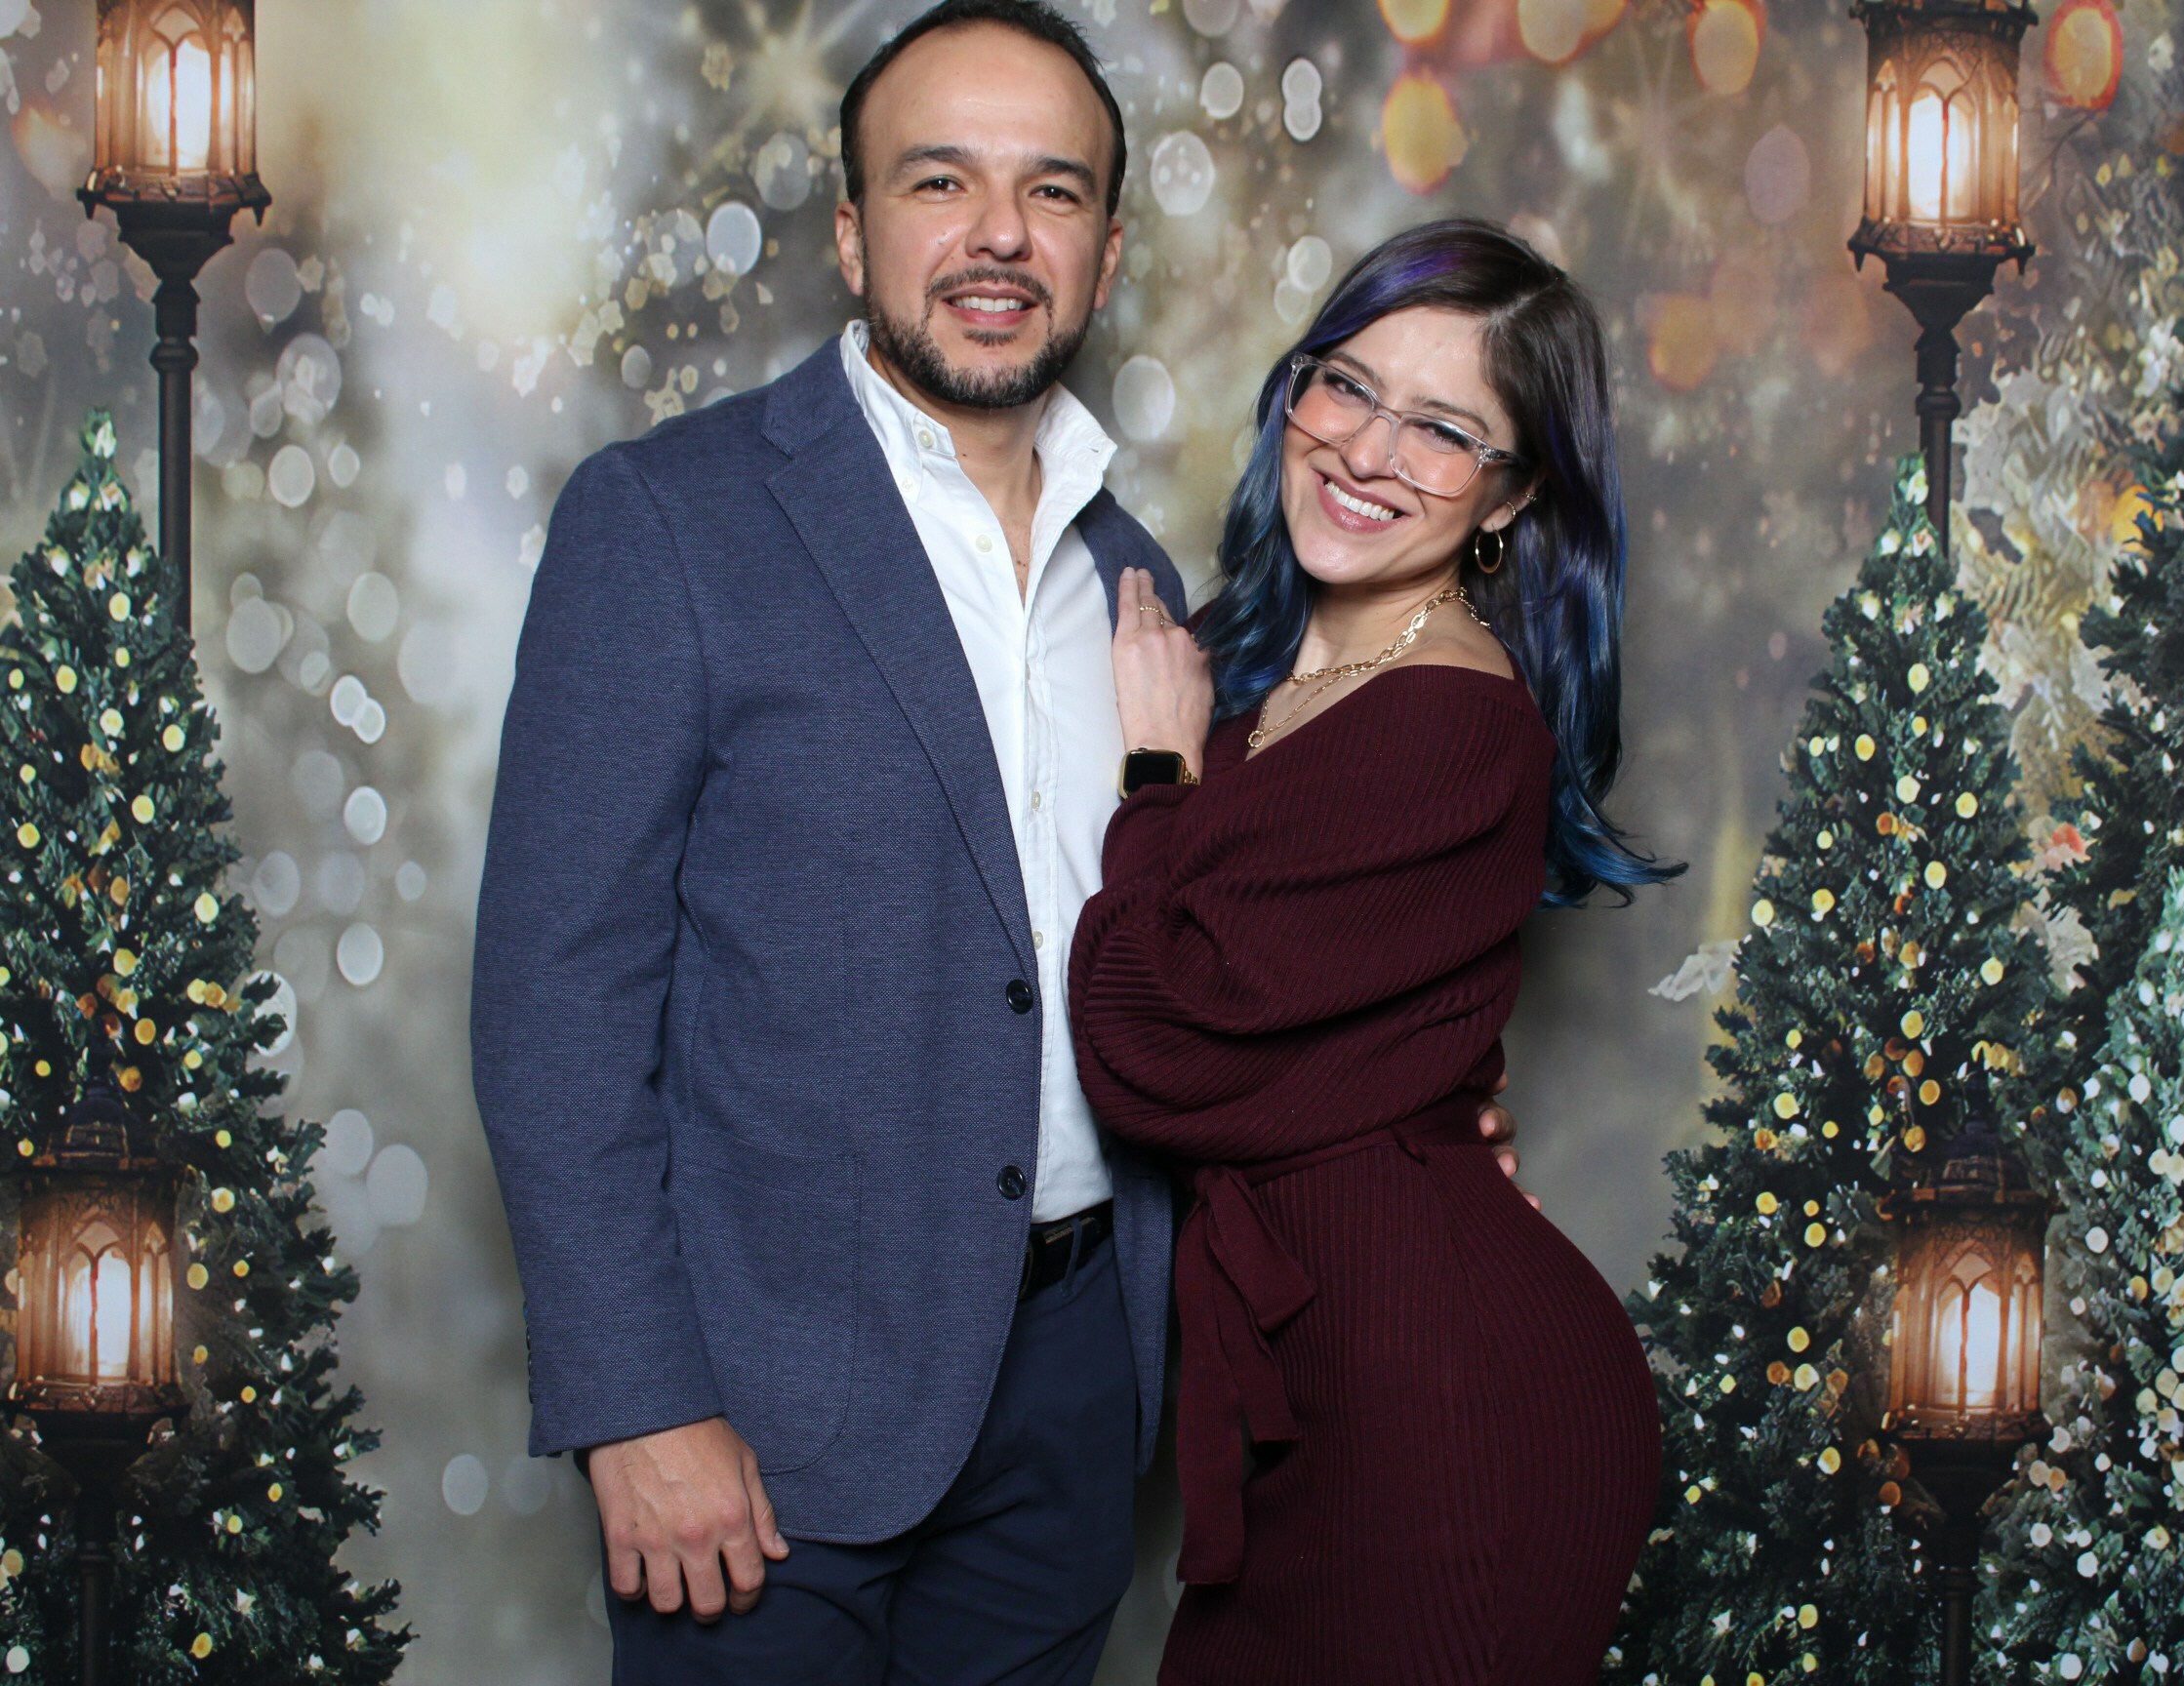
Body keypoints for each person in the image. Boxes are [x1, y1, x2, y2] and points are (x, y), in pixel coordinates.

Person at [470, 7, 1520, 1682]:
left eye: (1052, 191)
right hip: (763, 1414)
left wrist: (1419, 1110)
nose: (998, 237)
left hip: (1077, 1393)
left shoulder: (1143, 584)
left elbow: (1215, 967)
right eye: (938, 181)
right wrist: (637, 1402)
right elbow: (554, 999)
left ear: (1106, 251)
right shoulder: (668, 520)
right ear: (852, 233)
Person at [1072, 220, 1678, 1686]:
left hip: (1447, 1417)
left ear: (1510, 496)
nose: (1366, 450)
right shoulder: (1252, 678)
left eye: (1445, 430)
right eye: (1347, 385)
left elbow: (1148, 1039)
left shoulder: (1450, 723)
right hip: (1320, 1395)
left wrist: (1155, 775)